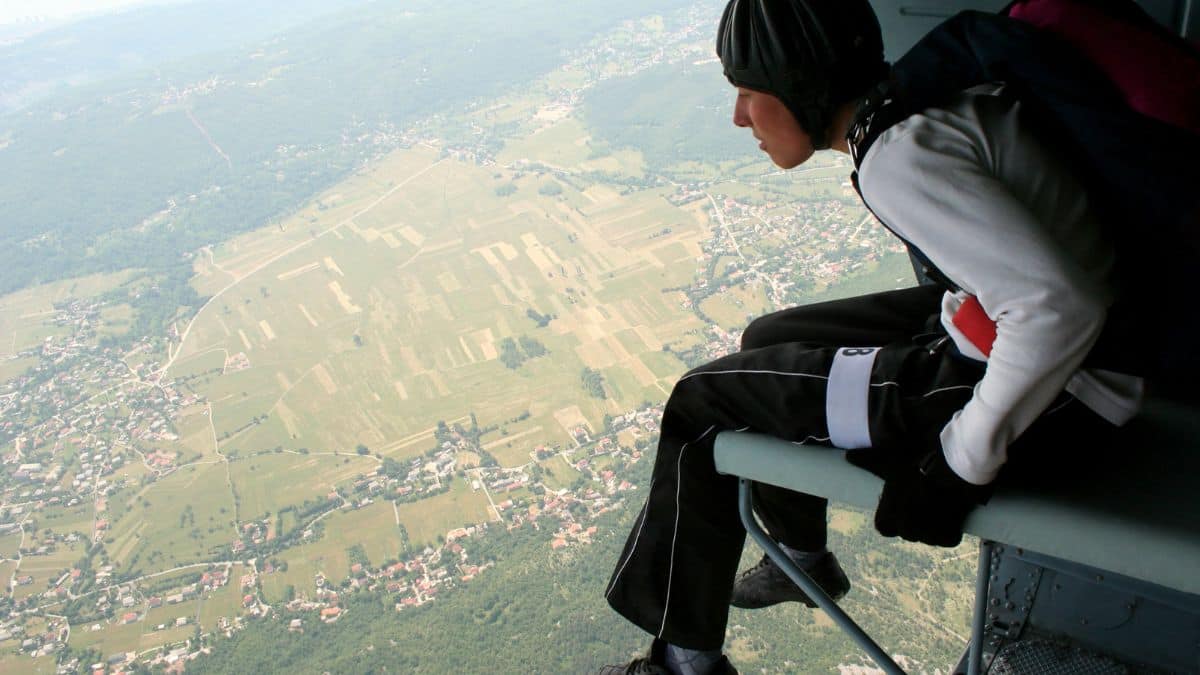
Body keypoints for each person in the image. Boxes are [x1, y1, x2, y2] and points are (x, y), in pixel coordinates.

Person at [598, 0, 1145, 673]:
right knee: (767, 336)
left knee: (699, 407)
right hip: (1051, 354)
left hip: (1055, 402)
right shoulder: (932, 101)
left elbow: (1059, 305)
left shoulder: (897, 158)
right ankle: (802, 556)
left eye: (747, 92)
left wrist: (955, 465)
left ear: (798, 87)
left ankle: (682, 661)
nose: (740, 117)